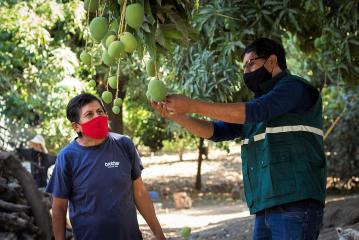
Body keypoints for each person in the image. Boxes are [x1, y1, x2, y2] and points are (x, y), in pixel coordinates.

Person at [152, 38, 326, 240]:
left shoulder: (294, 88)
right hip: (266, 206)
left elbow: (259, 110)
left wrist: (191, 105)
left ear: (271, 61)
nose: (246, 71)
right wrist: (178, 115)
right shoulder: (254, 109)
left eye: (251, 63)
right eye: (243, 67)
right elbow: (215, 131)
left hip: (296, 204)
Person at [46, 93, 166, 240]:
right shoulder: (67, 157)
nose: (97, 117)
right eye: (89, 114)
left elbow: (139, 192)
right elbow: (58, 208)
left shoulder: (124, 144)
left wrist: (159, 234)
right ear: (76, 126)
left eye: (100, 112)